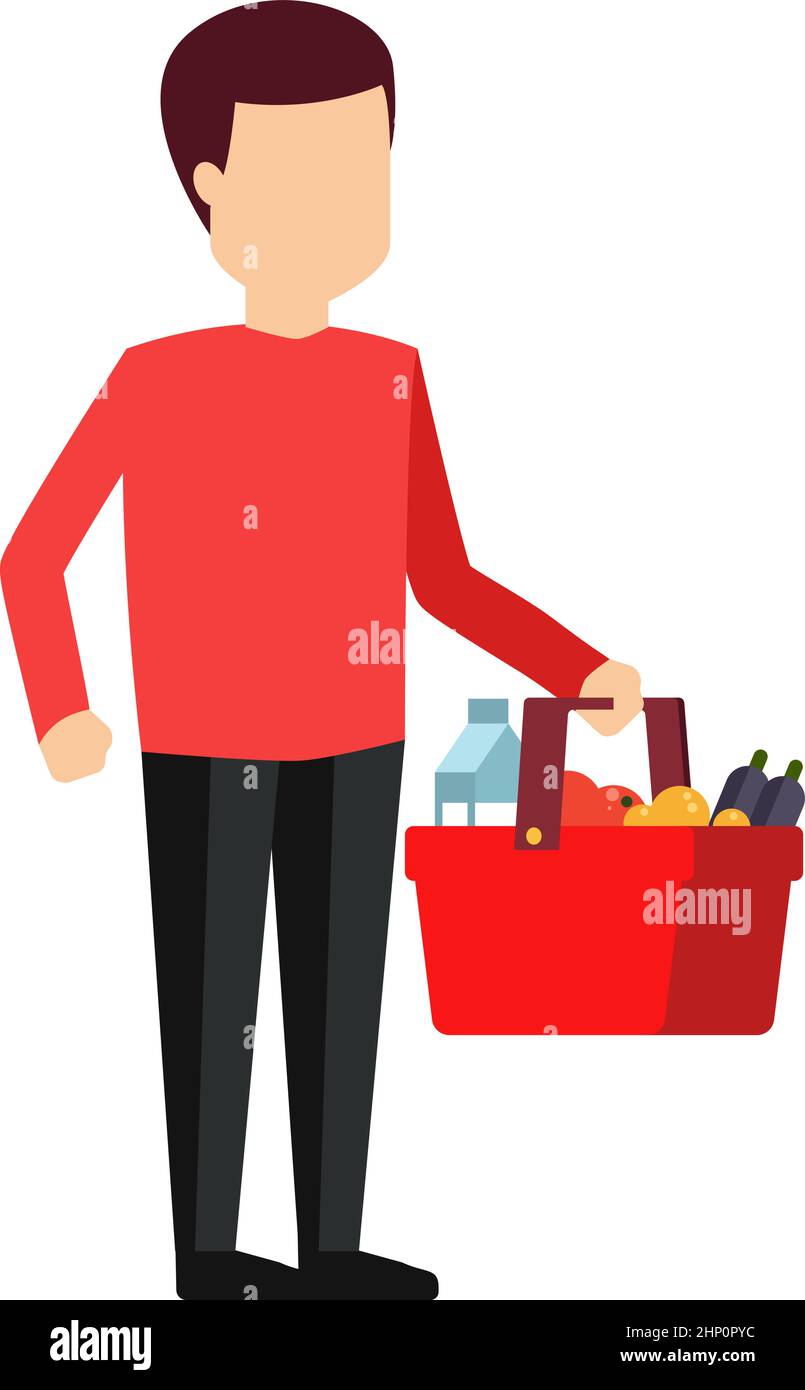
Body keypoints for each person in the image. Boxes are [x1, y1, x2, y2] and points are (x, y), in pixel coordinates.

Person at [1, 2, 642, 1301]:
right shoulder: (154, 378)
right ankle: (209, 1261)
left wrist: (572, 668)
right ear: (214, 188)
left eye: (367, 170)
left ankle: (331, 1250)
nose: (346, 206)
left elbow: (442, 575)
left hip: (359, 736)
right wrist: (62, 708)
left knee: (342, 1001)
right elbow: (32, 554)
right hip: (204, 741)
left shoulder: (390, 375)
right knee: (214, 1000)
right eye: (307, 176)